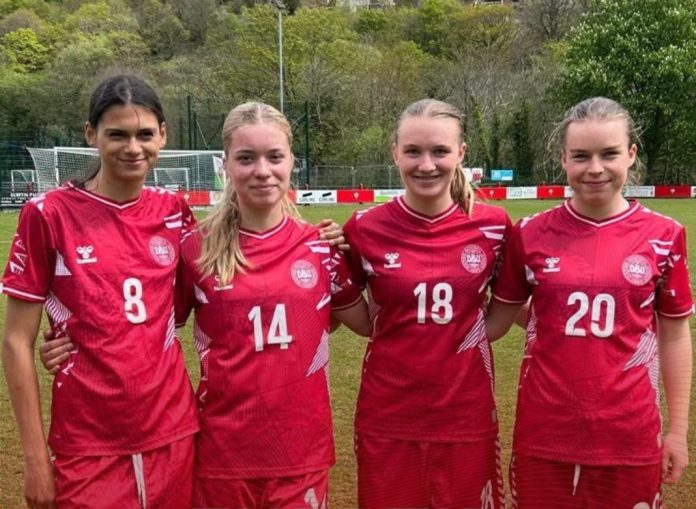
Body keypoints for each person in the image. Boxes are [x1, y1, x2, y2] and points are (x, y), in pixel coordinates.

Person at [2, 75, 200, 508]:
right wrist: (35, 459)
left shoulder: (174, 211)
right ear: (91, 134)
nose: (133, 147)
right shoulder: (47, 214)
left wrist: (318, 239)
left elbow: (201, 298)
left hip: (173, 432)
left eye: (144, 134)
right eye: (117, 135)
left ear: (163, 135)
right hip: (87, 441)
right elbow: (16, 341)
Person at [486, 97, 694, 508]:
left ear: (630, 155)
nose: (595, 168)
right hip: (545, 434)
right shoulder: (529, 233)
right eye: (581, 156)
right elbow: (501, 316)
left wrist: (677, 432)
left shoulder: (665, 235)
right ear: (564, 159)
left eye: (609, 154)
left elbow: (674, 336)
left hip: (630, 435)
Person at [175, 101, 371, 508]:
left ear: (291, 162)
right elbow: (149, 327)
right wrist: (68, 341)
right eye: (246, 158)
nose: (262, 171)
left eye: (274, 157)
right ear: (225, 165)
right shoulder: (194, 248)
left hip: (301, 449)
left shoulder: (321, 246)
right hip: (222, 451)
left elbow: (371, 323)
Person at [342, 99, 510, 509]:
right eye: (413, 151)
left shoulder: (494, 226)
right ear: (395, 152)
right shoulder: (363, 227)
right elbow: (355, 316)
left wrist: (461, 339)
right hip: (388, 416)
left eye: (440, 151)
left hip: (466, 414)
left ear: (461, 153)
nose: (426, 164)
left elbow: (502, 315)